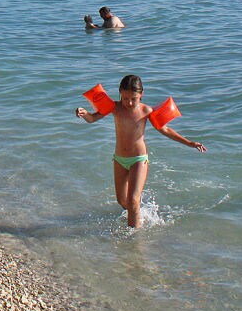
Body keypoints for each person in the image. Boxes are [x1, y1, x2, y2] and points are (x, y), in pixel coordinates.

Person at [75, 74, 207, 228]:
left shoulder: (146, 111)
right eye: (125, 98)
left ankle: (135, 241)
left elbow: (165, 130)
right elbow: (92, 119)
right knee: (122, 201)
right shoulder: (115, 108)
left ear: (141, 95)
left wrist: (190, 143)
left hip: (138, 159)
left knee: (133, 201)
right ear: (120, 94)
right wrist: (84, 113)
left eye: (134, 98)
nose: (129, 102)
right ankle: (137, 215)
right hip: (119, 159)